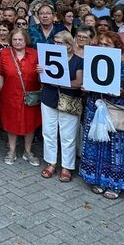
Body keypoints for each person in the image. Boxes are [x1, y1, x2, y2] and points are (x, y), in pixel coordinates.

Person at [79, 32, 124, 200]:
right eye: (101, 44)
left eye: (108, 45)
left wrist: (122, 93)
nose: (103, 48)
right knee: (95, 143)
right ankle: (97, 178)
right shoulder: (92, 64)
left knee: (115, 146)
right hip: (94, 107)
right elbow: (86, 88)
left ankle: (115, 183)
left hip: (115, 109)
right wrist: (85, 90)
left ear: (117, 48)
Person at [36, 31, 83, 182]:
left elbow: (78, 83)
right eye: (54, 42)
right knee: (48, 132)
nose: (56, 45)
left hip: (69, 100)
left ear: (69, 45)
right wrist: (40, 72)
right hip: (49, 98)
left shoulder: (78, 60)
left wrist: (57, 82)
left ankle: (67, 167)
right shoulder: (48, 57)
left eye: (60, 43)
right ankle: (51, 163)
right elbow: (41, 78)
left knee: (68, 135)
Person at [0, 28, 41, 165]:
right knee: (11, 122)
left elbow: (42, 75)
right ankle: (12, 150)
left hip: (30, 94)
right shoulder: (5, 53)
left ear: (26, 40)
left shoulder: (35, 54)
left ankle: (28, 151)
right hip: (10, 94)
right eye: (15, 39)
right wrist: (2, 89)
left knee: (30, 122)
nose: (17, 42)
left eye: (20, 39)